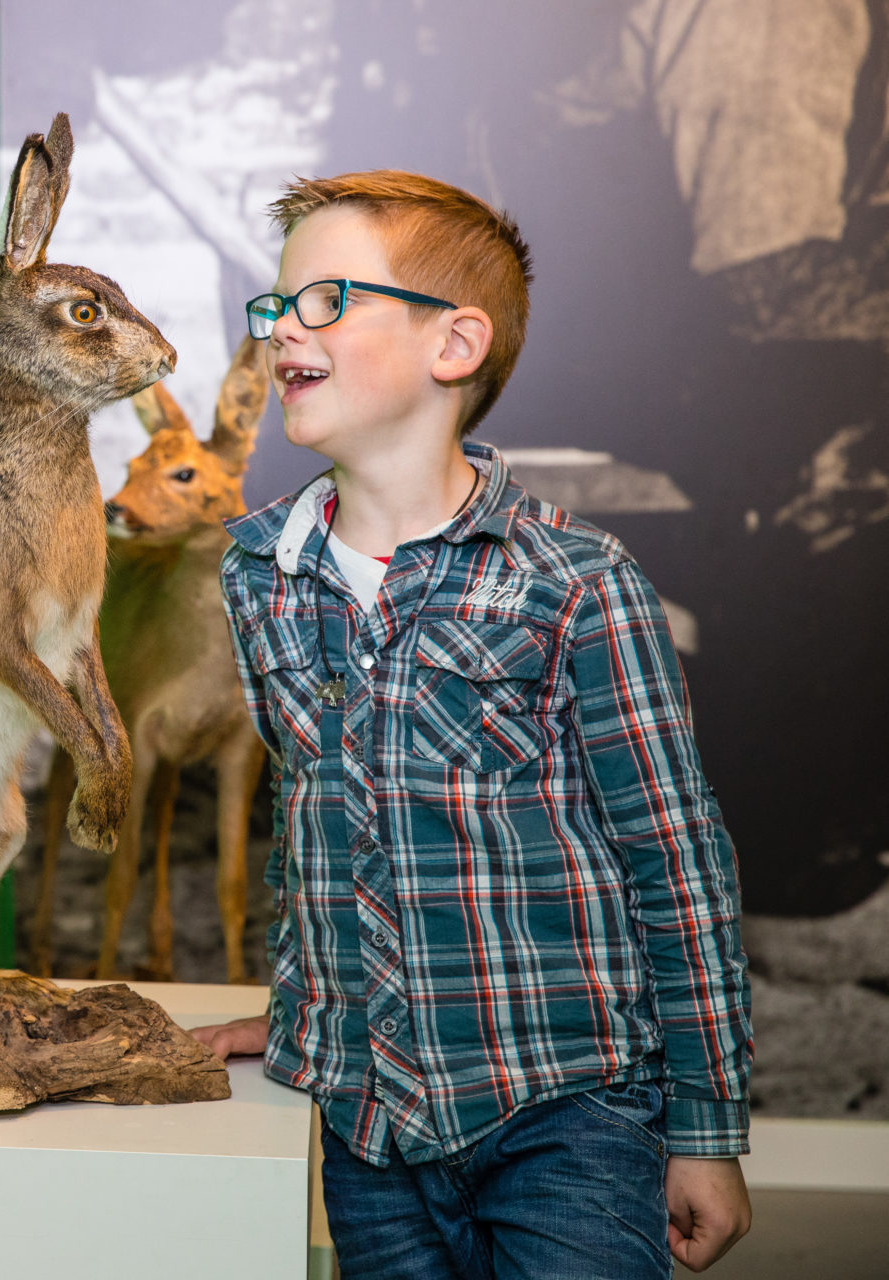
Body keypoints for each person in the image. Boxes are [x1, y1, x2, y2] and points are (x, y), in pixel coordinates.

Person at [188, 171, 753, 1277]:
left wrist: (708, 1125)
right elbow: (319, 827)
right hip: (371, 1128)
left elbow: (677, 861)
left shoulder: (579, 581)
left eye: (323, 301)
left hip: (566, 1109)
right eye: (274, 304)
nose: (279, 332)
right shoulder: (260, 573)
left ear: (455, 345)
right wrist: (306, 1012)